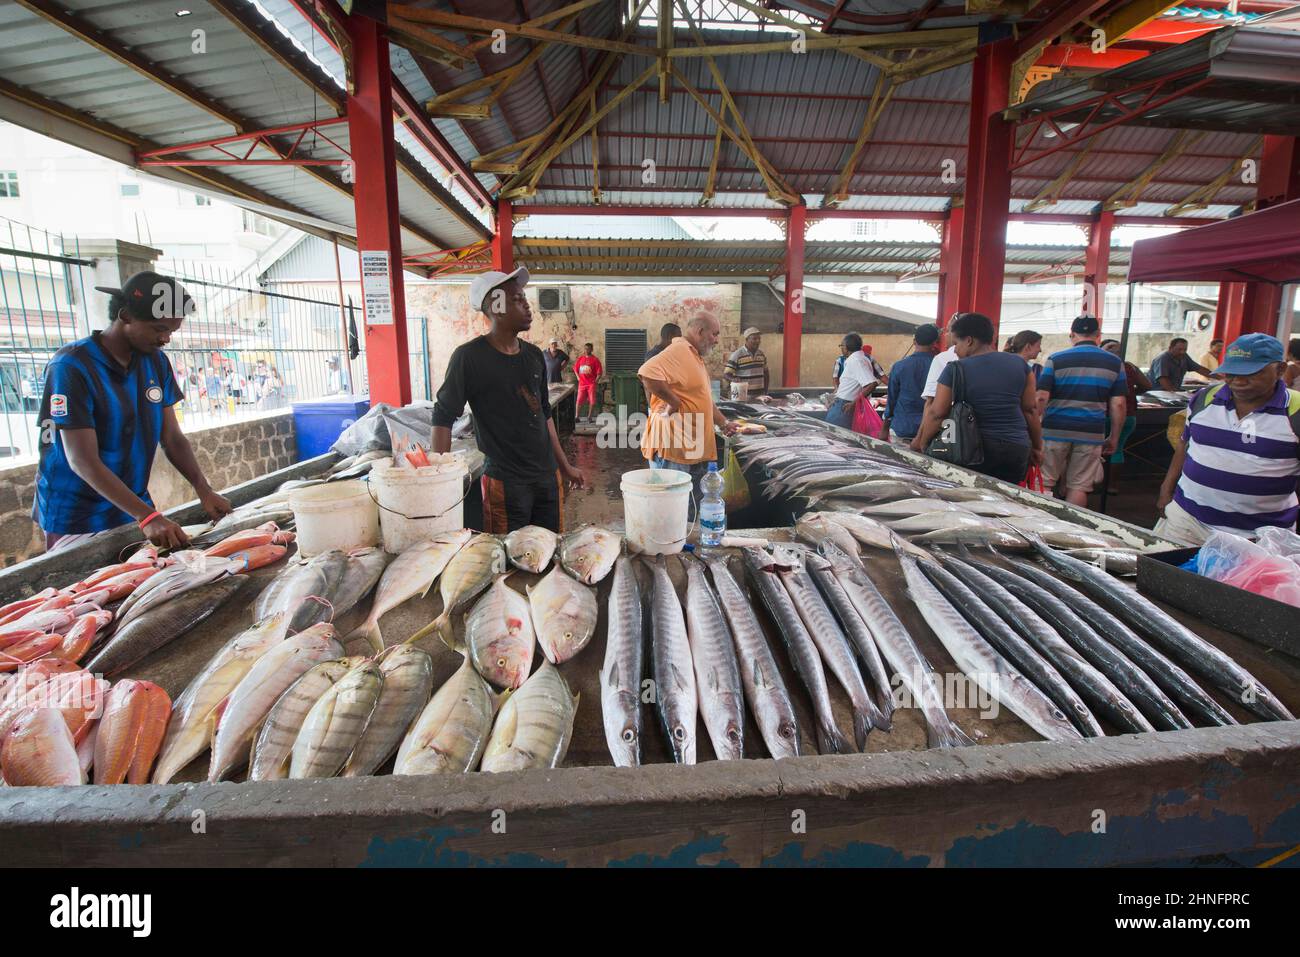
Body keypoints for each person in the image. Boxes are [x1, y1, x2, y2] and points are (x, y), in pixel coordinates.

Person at [33, 271, 232, 552]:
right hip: (78, 514)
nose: (165, 339)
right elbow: (81, 459)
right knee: (92, 592)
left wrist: (203, 489)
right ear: (125, 316)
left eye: (171, 332)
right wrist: (147, 516)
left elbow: (172, 438)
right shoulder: (72, 366)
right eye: (158, 329)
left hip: (132, 504)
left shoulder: (156, 362)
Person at [431, 267, 586, 534]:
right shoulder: (469, 358)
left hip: (547, 478)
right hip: (506, 483)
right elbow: (443, 418)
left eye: (524, 299)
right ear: (496, 307)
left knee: (549, 552)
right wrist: (437, 484)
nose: (528, 307)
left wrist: (565, 466)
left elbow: (544, 415)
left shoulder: (534, 355)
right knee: (509, 560)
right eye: (517, 299)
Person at [1155, 333, 1300, 544]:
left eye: (1252, 373)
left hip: (1260, 536)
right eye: (1231, 373)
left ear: (1279, 370)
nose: (1238, 381)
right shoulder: (1203, 399)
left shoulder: (1295, 412)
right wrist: (1165, 491)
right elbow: (1184, 445)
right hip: (1187, 522)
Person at [912, 312, 1044, 484]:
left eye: (956, 344)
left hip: (973, 449)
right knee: (1007, 503)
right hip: (1016, 449)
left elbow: (937, 413)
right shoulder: (1021, 365)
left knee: (971, 502)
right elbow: (1030, 410)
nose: (956, 350)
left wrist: (924, 443)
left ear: (969, 341)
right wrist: (1037, 446)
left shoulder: (955, 369)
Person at [638, 313, 739, 496]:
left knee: (689, 509)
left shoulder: (694, 356)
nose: (716, 340)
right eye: (714, 334)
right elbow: (647, 373)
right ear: (700, 331)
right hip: (675, 449)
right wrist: (673, 402)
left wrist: (723, 423)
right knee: (671, 507)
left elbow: (703, 399)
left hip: (691, 447)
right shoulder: (680, 351)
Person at [1035, 316, 1127, 506]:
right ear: (1098, 335)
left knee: (1044, 481)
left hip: (1054, 430)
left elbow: (1041, 397)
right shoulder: (1115, 363)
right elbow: (1118, 404)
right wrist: (1114, 437)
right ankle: (1072, 530)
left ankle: (1040, 526)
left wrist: (1035, 428)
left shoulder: (1055, 359)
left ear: (1072, 334)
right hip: (1091, 432)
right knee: (1079, 485)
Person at [1100, 338, 1154, 494]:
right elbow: (1147, 385)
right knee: (1117, 449)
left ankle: (1095, 483)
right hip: (1127, 414)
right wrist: (1129, 394)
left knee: (1095, 449)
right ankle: (1112, 486)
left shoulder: (1100, 366)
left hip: (1104, 414)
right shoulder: (1130, 367)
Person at [883, 323, 939, 447]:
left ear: (914, 341)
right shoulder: (940, 366)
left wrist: (884, 429)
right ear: (934, 343)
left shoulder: (899, 366)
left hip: (901, 427)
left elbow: (891, 400)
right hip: (929, 431)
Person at [825, 334, 878, 430]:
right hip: (842, 404)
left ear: (847, 347)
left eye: (841, 346)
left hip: (845, 406)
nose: (841, 348)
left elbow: (872, 384)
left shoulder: (856, 361)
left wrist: (853, 403)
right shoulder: (860, 359)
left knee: (836, 439)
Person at [723, 326, 769, 398]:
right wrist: (733, 379)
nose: (757, 341)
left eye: (759, 338)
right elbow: (726, 374)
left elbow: (766, 373)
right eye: (754, 339)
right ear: (747, 339)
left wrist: (765, 392)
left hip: (759, 396)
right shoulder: (737, 354)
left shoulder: (761, 354)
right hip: (743, 396)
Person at [573, 342, 603, 421]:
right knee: (579, 400)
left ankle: (589, 417)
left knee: (592, 401)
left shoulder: (595, 360)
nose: (586, 350)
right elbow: (575, 369)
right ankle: (577, 416)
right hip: (582, 384)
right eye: (585, 348)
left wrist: (595, 381)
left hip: (591, 384)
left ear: (591, 349)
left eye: (588, 349)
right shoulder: (580, 359)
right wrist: (577, 377)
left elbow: (599, 372)